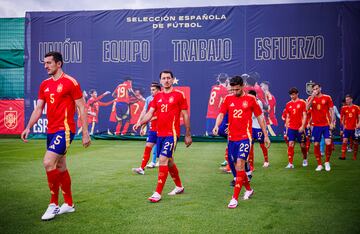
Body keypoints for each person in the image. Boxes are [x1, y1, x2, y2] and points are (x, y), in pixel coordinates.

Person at [21, 51, 91, 221]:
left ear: (59, 64)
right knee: (60, 167)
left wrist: (86, 133)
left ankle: (53, 204)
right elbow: (38, 109)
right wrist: (28, 127)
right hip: (51, 131)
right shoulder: (44, 84)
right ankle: (69, 204)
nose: (45, 66)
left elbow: (82, 107)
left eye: (49, 63)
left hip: (65, 130)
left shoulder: (70, 82)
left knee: (48, 162)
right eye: (44, 63)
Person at [134, 70, 192, 202]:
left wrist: (188, 133)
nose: (166, 80)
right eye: (164, 78)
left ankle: (157, 193)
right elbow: (150, 113)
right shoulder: (157, 97)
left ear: (172, 80)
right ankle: (179, 186)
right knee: (169, 162)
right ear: (160, 81)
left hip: (172, 134)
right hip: (160, 134)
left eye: (168, 78)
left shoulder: (179, 95)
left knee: (163, 160)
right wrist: (140, 123)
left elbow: (185, 115)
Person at [213, 75, 270, 209]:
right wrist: (217, 125)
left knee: (240, 165)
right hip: (232, 138)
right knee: (235, 165)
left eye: (236, 89)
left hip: (245, 137)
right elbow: (221, 114)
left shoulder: (251, 99)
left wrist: (266, 135)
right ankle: (249, 189)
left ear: (243, 86)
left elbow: (260, 117)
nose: (233, 92)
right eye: (232, 90)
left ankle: (234, 198)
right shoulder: (228, 98)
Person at [132, 82, 161, 174]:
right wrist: (142, 125)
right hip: (153, 129)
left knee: (166, 156)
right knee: (148, 147)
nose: (151, 92)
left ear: (159, 90)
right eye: (151, 90)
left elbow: (160, 115)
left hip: (163, 130)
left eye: (153, 90)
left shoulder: (164, 99)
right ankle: (142, 168)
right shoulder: (150, 100)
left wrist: (143, 122)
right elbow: (148, 114)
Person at [306, 83, 334, 171]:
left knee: (328, 143)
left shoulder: (327, 97)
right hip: (316, 125)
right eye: (314, 89)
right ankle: (319, 164)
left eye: (317, 88)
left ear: (320, 89)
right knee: (316, 144)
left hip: (326, 124)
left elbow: (332, 110)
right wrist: (312, 97)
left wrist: (332, 122)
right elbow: (307, 108)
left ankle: (327, 162)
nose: (315, 90)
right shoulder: (311, 98)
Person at [283, 88, 308, 168]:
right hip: (291, 128)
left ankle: (305, 159)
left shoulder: (302, 103)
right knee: (291, 144)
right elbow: (287, 117)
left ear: (297, 94)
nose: (292, 96)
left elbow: (304, 115)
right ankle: (290, 163)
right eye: (291, 94)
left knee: (303, 145)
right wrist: (287, 129)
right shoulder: (288, 104)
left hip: (300, 128)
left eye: (293, 94)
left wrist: (303, 126)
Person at [247, 90, 269, 169]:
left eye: (251, 96)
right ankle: (251, 164)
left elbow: (254, 115)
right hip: (251, 127)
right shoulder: (248, 102)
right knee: (250, 145)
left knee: (262, 145)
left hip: (259, 127)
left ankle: (266, 161)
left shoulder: (258, 103)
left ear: (255, 96)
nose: (249, 97)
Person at [339, 95, 360, 160]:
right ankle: (343, 156)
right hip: (347, 128)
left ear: (351, 99)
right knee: (344, 141)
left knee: (355, 142)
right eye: (346, 100)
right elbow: (342, 118)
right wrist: (342, 127)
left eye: (348, 100)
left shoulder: (356, 107)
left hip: (355, 128)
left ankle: (354, 156)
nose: (347, 101)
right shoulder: (344, 108)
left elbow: (359, 117)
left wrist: (359, 124)